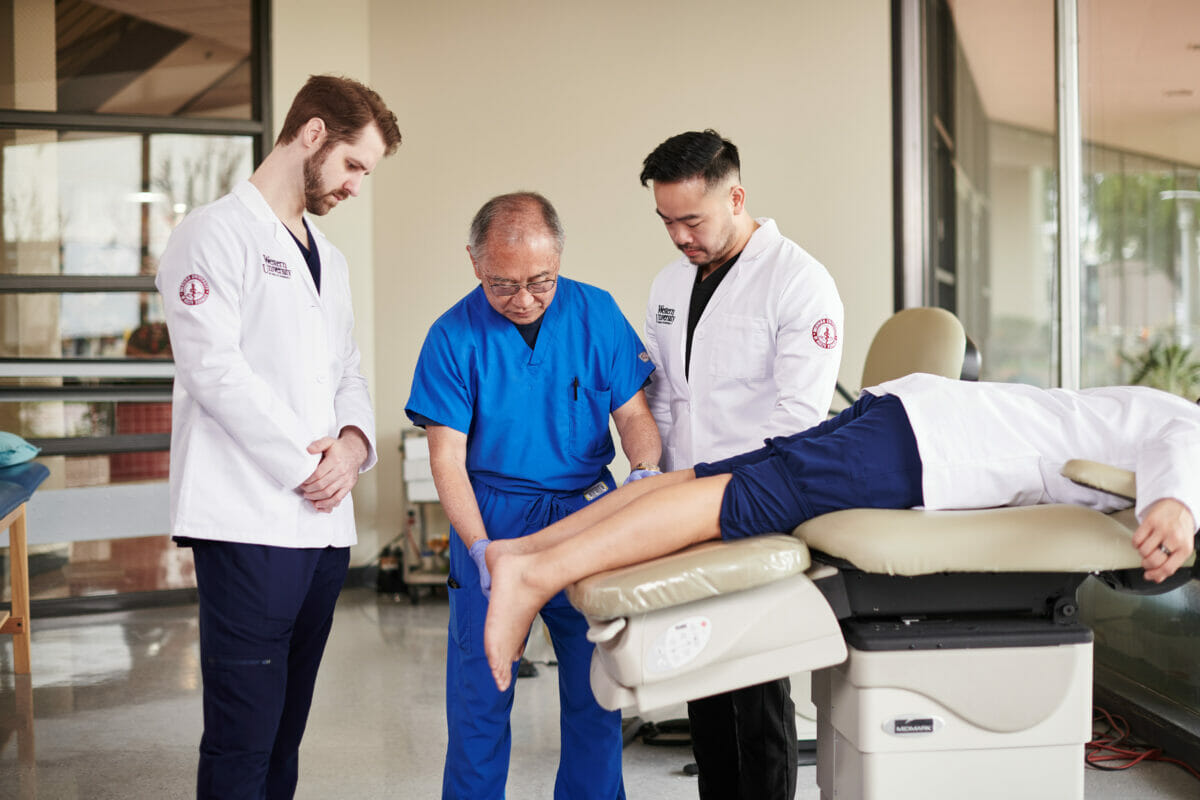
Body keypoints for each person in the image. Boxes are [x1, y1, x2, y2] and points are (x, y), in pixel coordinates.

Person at [482, 372, 1200, 690]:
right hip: (927, 447)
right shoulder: (1188, 428)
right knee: (725, 502)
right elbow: (1181, 449)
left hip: (916, 419)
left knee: (701, 483)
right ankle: (534, 575)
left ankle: (524, 550)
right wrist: (1175, 507)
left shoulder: (1158, 410)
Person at [155, 75, 401, 800]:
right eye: (355, 165)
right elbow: (212, 370)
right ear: (313, 134)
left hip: (322, 530)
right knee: (243, 731)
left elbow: (347, 368)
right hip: (249, 521)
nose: (358, 186)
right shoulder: (212, 233)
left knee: (287, 731)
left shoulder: (331, 255)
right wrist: (305, 467)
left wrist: (353, 447)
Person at [405, 191, 661, 800]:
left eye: (540, 282)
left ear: (560, 259)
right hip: (494, 518)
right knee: (480, 698)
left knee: (598, 690)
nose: (522, 299)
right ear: (473, 262)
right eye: (503, 284)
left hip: (586, 513)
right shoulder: (452, 335)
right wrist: (480, 548)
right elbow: (446, 456)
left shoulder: (596, 313)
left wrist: (645, 475)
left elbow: (633, 417)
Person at [639, 128, 843, 799]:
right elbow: (666, 398)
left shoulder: (799, 282)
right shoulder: (670, 283)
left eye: (691, 219)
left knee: (755, 685)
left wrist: (721, 497)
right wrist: (658, 486)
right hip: (685, 500)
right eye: (667, 220)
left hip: (757, 500)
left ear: (736, 197)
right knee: (700, 672)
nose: (678, 236)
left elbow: (799, 422)